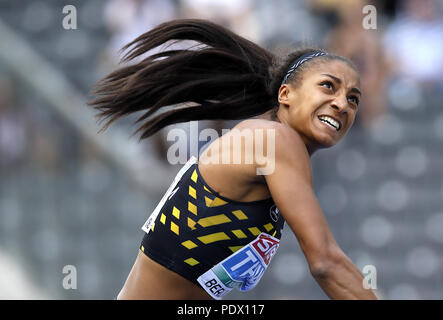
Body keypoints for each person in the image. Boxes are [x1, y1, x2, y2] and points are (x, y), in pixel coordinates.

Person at [88, 19, 377, 300]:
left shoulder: (268, 145)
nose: (342, 104)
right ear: (286, 94)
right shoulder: (275, 140)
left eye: (353, 99)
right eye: (328, 86)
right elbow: (325, 262)